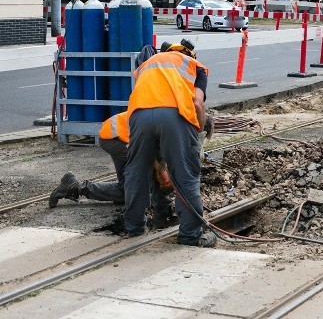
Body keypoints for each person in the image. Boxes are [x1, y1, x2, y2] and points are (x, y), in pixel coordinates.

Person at [123, 39, 216, 247]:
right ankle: (191, 236)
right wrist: (198, 135)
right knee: (185, 175)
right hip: (175, 116)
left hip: (139, 115)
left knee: (137, 172)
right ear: (190, 54)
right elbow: (198, 103)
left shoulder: (147, 64)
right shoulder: (195, 67)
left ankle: (135, 229)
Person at [48, 110, 177, 229]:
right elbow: (155, 160)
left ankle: (74, 187)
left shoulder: (171, 118)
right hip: (116, 138)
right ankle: (163, 214)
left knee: (126, 190)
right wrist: (163, 175)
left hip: (117, 136)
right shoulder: (171, 125)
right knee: (150, 172)